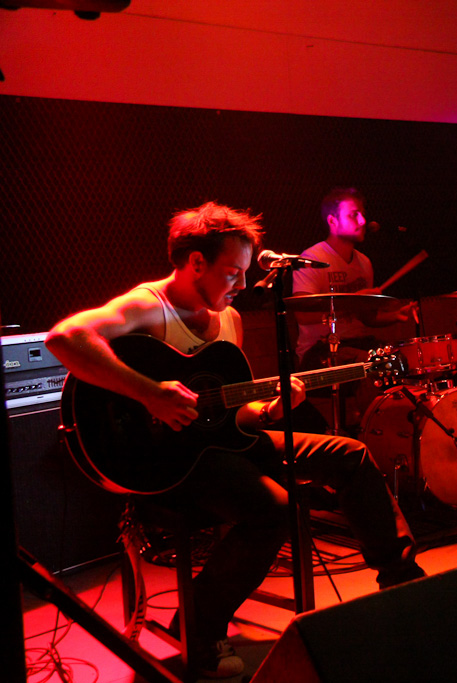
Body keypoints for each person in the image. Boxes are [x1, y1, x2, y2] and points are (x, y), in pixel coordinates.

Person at [46, 202, 425, 678]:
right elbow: (64, 338)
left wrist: (270, 410)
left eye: (246, 272)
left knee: (350, 455)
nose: (243, 285)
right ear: (196, 263)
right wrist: (150, 393)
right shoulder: (148, 305)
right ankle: (199, 629)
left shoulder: (229, 319)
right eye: (232, 273)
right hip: (161, 460)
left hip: (218, 446)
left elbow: (230, 415)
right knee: (275, 510)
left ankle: (404, 586)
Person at [292, 186, 414, 371]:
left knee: (399, 361)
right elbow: (303, 314)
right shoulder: (312, 259)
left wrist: (395, 315)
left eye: (362, 214)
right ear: (332, 221)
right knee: (374, 365)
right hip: (320, 350)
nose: (363, 221)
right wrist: (353, 301)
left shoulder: (364, 263)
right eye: (353, 215)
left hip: (358, 343)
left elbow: (366, 318)